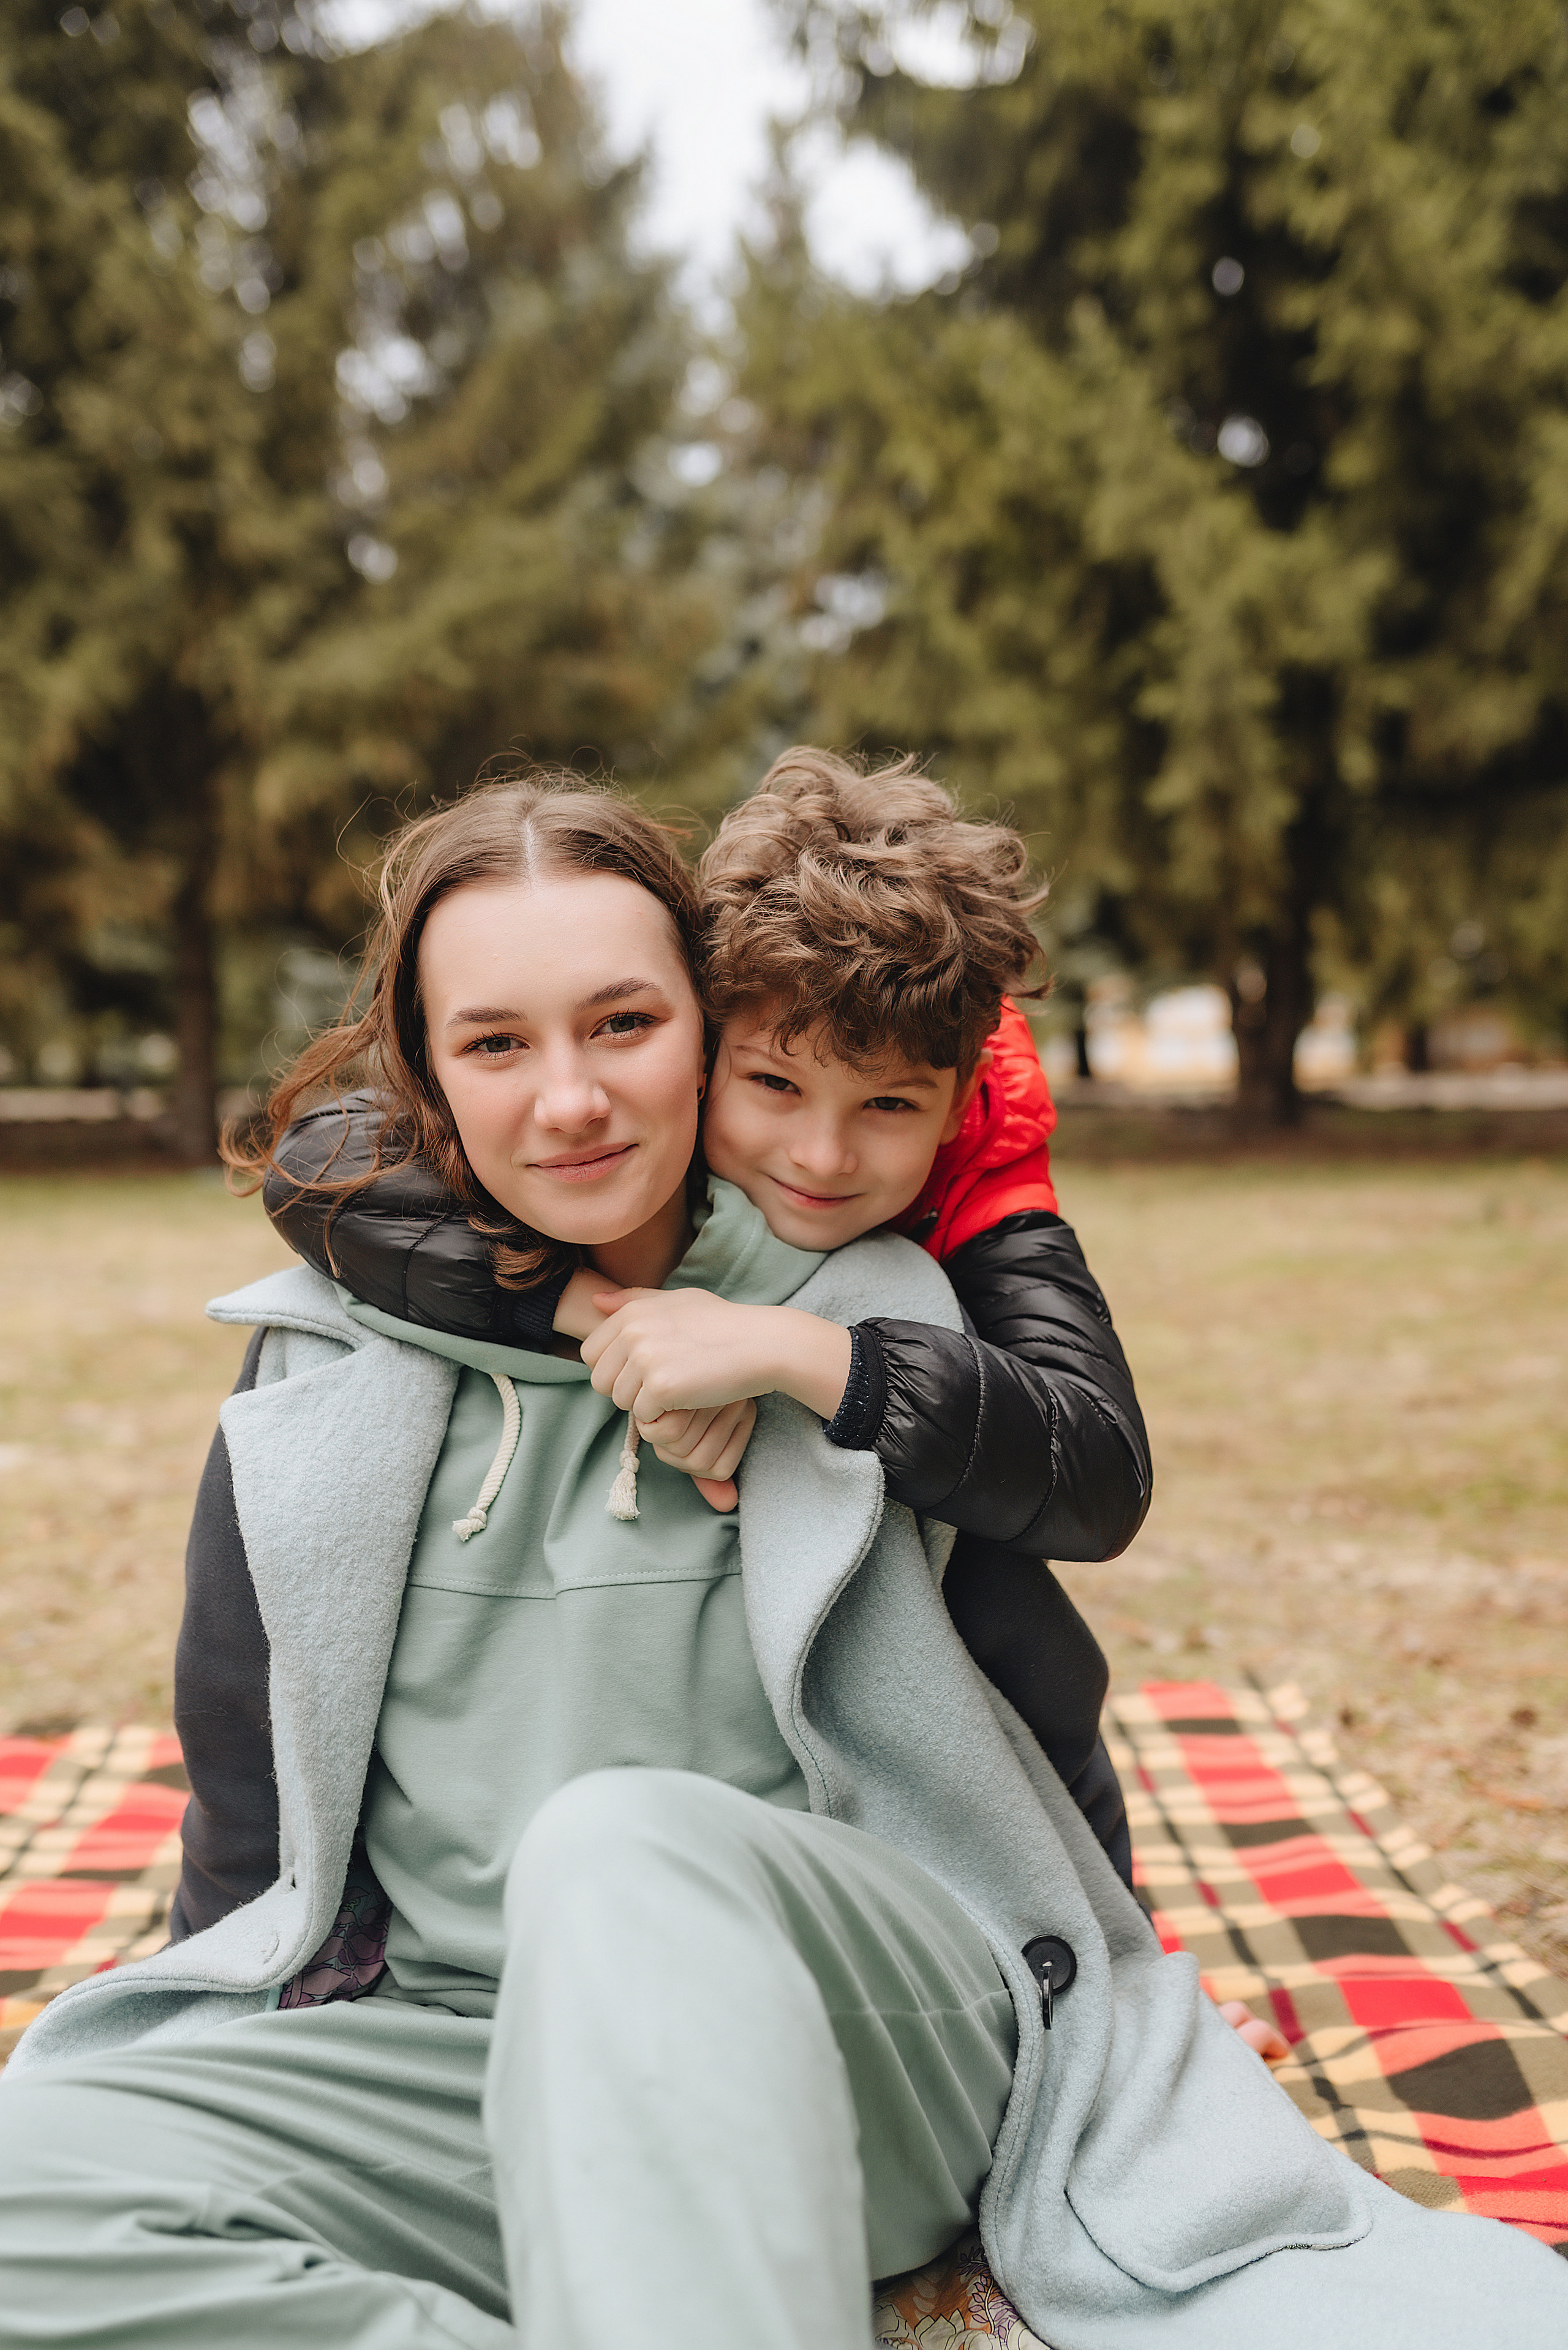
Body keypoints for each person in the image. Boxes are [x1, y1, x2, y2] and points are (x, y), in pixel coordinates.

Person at [1, 774, 1561, 2350]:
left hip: (861, 2040)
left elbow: (1041, 1672)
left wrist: (1102, 1998)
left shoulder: (873, 1314)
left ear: (710, 1014)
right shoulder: (319, 1365)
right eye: (496, 1043)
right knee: (30, 2181)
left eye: (622, 1023)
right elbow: (251, 1772)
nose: (571, 1101)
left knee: (615, 1848)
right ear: (429, 1071)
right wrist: (238, 2015)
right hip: (453, 2044)